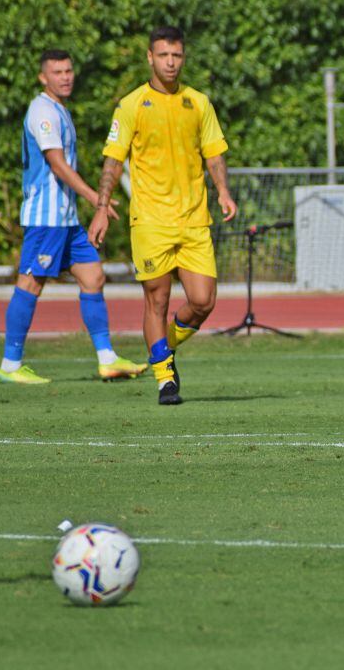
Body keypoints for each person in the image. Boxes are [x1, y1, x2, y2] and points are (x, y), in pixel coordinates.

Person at [88, 26, 237, 406]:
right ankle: (164, 378)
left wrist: (223, 191)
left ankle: (162, 348)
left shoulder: (198, 103)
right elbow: (112, 161)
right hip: (151, 221)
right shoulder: (132, 104)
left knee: (204, 301)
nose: (171, 63)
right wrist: (102, 208)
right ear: (150, 58)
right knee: (157, 300)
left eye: (177, 56)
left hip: (193, 220)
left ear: (183, 58)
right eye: (164, 55)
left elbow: (214, 153)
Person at [0, 49, 147, 385]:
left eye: (68, 70)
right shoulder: (42, 111)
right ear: (43, 77)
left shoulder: (60, 109)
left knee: (93, 276)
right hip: (46, 218)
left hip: (65, 220)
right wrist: (98, 198)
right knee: (31, 283)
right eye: (57, 72)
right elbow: (57, 164)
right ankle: (10, 363)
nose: (65, 76)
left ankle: (108, 359)